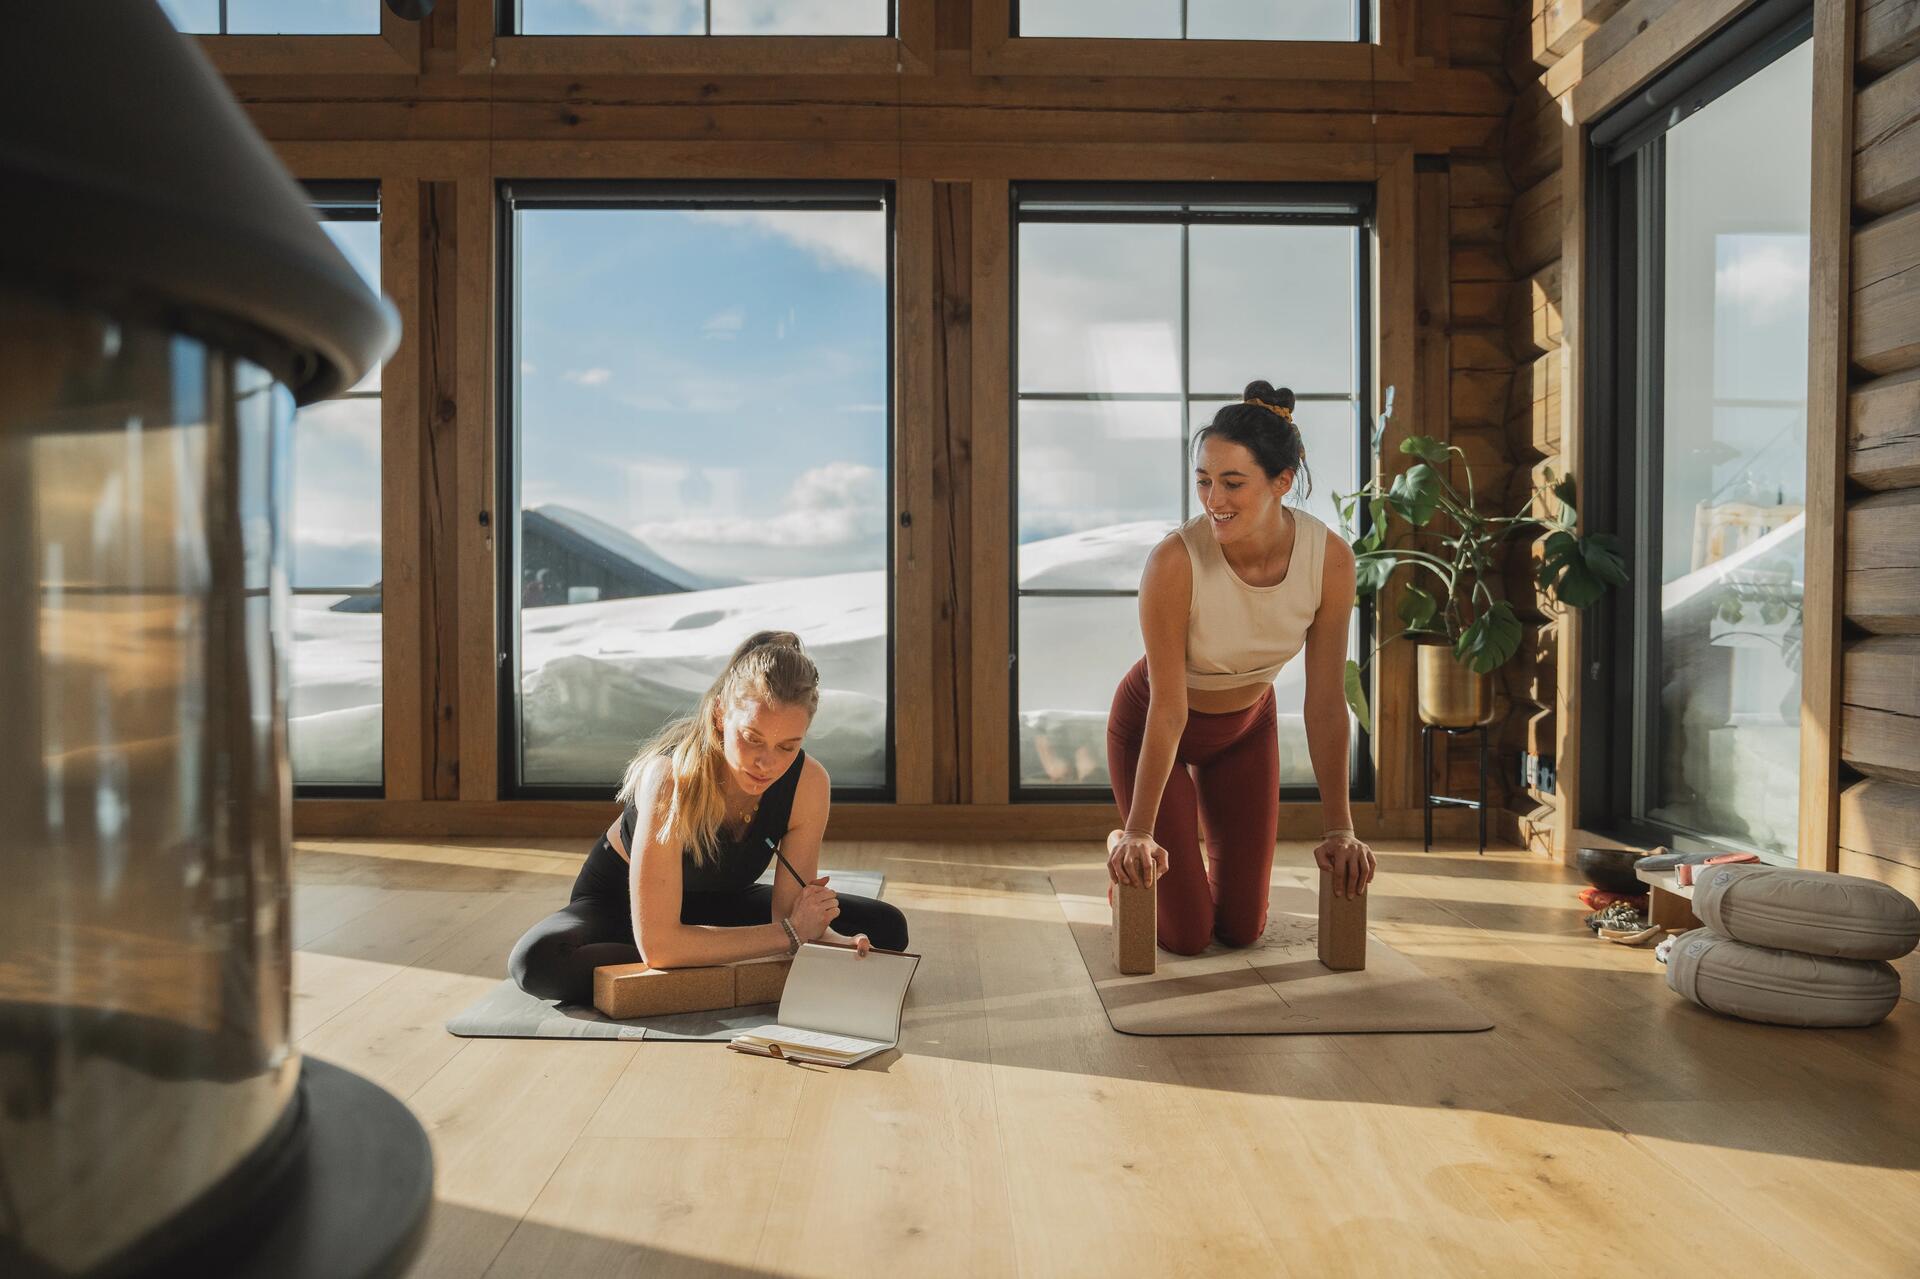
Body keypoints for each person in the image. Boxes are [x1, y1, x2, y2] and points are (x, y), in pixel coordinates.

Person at [1105, 380, 1377, 956]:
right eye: (1204, 480)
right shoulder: (1174, 562)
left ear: (1282, 482)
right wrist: (1138, 833)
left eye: (1232, 482)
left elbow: (1326, 701)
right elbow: (1168, 705)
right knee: (1186, 935)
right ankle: (1121, 845)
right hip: (1155, 723)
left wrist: (1340, 830)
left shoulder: (1328, 559)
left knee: (1242, 929)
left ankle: (1175, 865)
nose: (1212, 499)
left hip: (1246, 729)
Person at [510, 630, 908, 1005]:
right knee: (539, 961)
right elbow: (663, 946)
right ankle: (712, 954)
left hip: (721, 906)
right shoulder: (669, 778)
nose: (766, 763)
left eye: (788, 746)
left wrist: (832, 937)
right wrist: (787, 936)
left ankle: (704, 955)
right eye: (752, 738)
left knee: (886, 928)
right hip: (621, 911)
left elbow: (790, 915)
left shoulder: (809, 782)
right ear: (720, 715)